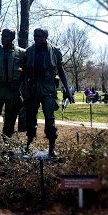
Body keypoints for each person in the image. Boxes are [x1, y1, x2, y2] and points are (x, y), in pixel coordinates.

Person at [24, 28, 73, 156]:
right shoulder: (29, 51)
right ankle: (28, 144)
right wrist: (25, 90)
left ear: (45, 37)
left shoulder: (55, 51)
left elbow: (61, 71)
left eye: (39, 36)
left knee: (50, 118)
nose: (36, 38)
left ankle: (52, 148)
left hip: (49, 89)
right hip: (33, 88)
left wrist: (67, 90)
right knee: (30, 118)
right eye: (34, 36)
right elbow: (24, 72)